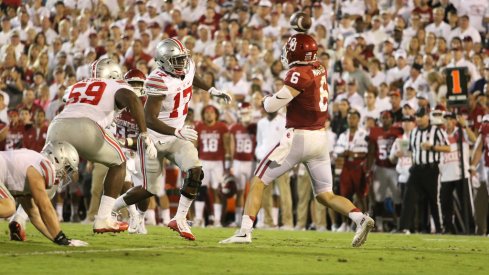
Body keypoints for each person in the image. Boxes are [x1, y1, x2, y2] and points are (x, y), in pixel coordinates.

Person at [220, 33, 374, 247]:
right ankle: (360, 218)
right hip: (320, 139)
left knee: (258, 181)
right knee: (325, 195)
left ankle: (245, 231)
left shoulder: (298, 72)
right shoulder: (319, 67)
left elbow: (272, 106)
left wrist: (264, 100)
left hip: (298, 137)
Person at [112, 38, 231, 241]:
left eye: (183, 59)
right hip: (154, 138)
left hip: (177, 135)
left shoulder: (187, 66)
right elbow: (149, 119)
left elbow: (191, 77)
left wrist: (211, 90)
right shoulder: (158, 80)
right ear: (164, 61)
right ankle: (111, 210)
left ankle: (180, 219)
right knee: (150, 189)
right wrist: (177, 132)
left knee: (195, 171)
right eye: (176, 60)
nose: (182, 64)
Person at [46, 57, 157, 234]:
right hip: (86, 127)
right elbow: (131, 98)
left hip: (57, 125)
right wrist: (144, 133)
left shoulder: (79, 84)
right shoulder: (115, 85)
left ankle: (20, 217)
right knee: (119, 162)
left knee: (49, 173)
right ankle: (103, 218)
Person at [1, 142, 87, 246]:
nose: (65, 175)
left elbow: (34, 215)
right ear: (57, 159)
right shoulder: (41, 165)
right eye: (66, 168)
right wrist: (61, 238)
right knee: (8, 207)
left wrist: (60, 240)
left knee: (8, 206)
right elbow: (45, 207)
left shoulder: (29, 166)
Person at [399, 107, 450, 234]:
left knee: (434, 200)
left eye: (421, 116)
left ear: (427, 117)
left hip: (431, 169)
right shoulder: (414, 132)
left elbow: (448, 148)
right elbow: (412, 151)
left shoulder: (436, 130)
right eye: (417, 116)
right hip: (416, 170)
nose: (419, 119)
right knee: (408, 198)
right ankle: (403, 227)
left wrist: (432, 147)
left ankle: (439, 228)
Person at [194, 105, 231, 227]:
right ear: (203, 114)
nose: (209, 114)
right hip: (203, 161)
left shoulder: (222, 127)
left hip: (217, 163)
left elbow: (227, 147)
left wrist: (228, 165)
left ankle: (217, 219)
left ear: (216, 114)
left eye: (211, 112)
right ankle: (199, 218)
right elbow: (195, 146)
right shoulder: (199, 126)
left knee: (217, 191)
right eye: (207, 112)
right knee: (200, 190)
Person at [367, 110, 403, 231]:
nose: (385, 120)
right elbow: (371, 151)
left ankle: (399, 223)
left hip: (395, 168)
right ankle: (379, 224)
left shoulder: (398, 131)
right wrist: (368, 168)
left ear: (392, 119)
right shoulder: (375, 131)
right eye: (383, 118)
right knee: (379, 198)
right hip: (380, 167)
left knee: (397, 197)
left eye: (387, 118)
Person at [229, 102, 256, 226]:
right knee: (239, 192)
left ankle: (253, 220)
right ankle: (237, 220)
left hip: (252, 162)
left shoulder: (256, 126)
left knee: (253, 192)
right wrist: (231, 164)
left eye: (246, 113)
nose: (245, 116)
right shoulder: (235, 128)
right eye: (243, 113)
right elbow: (231, 146)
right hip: (238, 161)